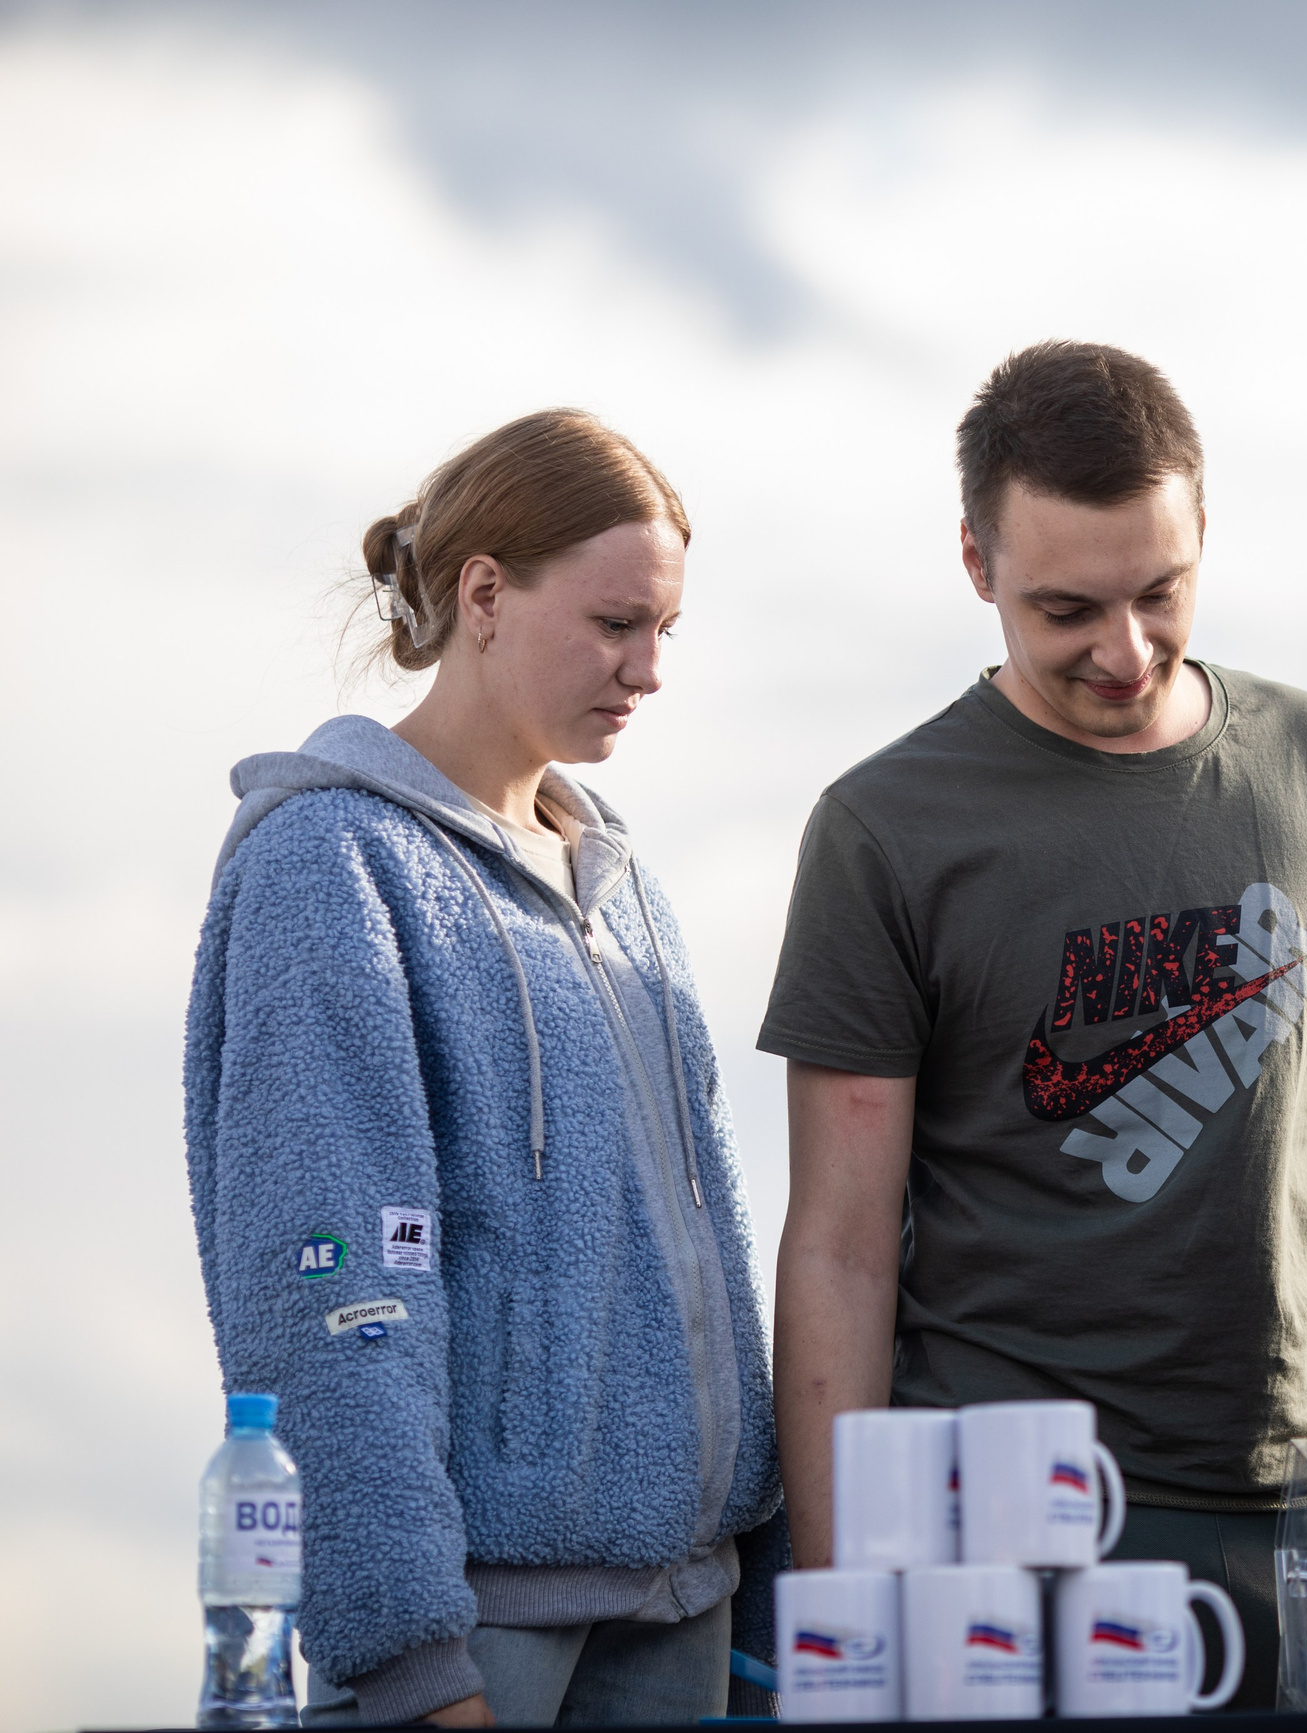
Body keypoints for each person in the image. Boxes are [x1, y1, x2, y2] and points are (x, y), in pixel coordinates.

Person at [761, 340, 1307, 1710]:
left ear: (1205, 526)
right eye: (1067, 609)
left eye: (1161, 592)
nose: (1126, 648)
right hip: (1026, 1546)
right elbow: (841, 1248)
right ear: (975, 565)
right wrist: (841, 1623)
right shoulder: (885, 830)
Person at [184, 411, 782, 1728]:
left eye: (665, 632)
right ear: (487, 593)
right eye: (617, 623)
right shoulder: (330, 862)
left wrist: (764, 1585)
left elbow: (714, 1249)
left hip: (685, 1616)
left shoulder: (624, 884)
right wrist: (407, 1651)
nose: (648, 669)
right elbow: (326, 1279)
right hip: (475, 1645)